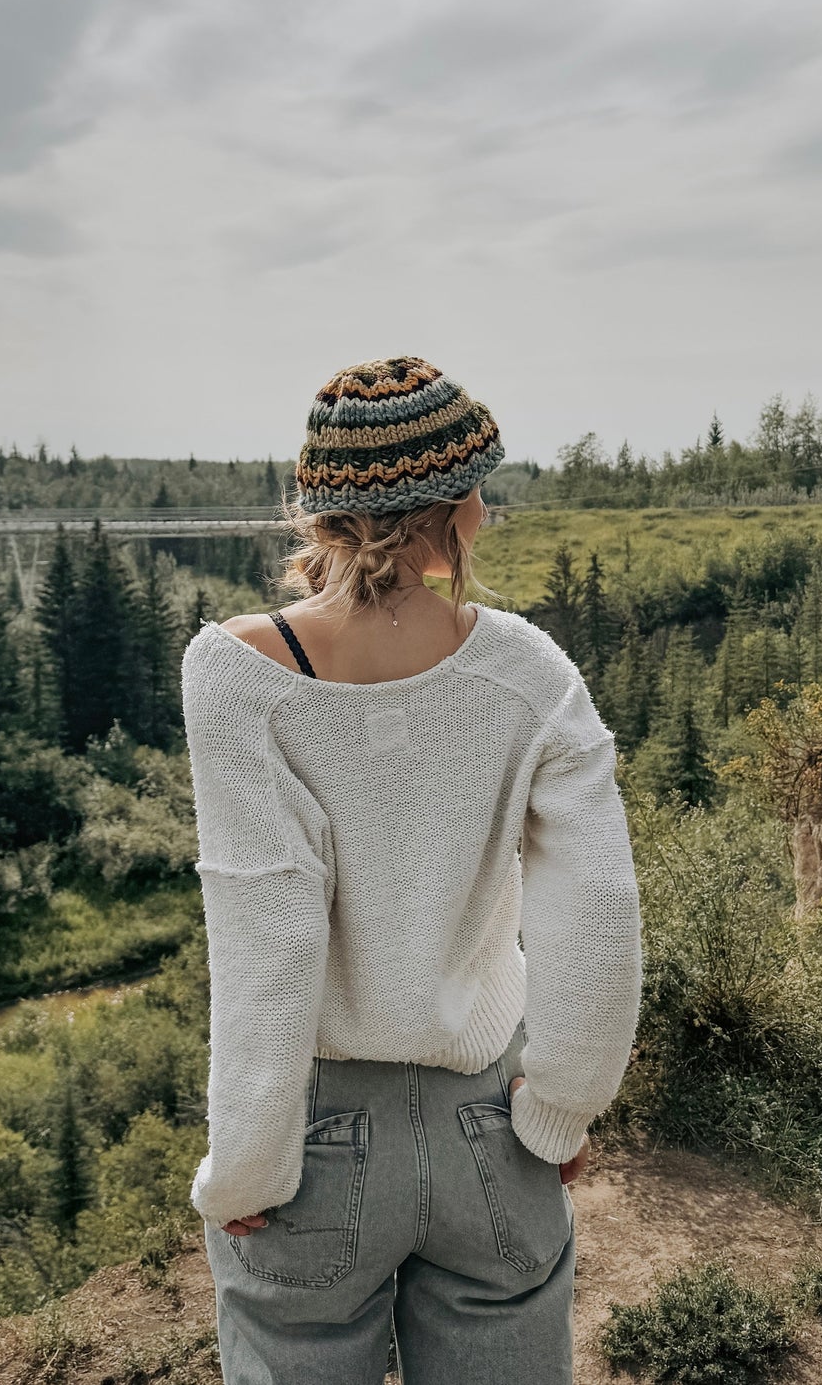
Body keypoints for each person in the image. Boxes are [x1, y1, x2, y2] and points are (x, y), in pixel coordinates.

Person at [181, 355, 643, 1384]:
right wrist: (561, 1100)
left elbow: (269, 930)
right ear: (458, 506)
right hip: (492, 1128)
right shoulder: (528, 671)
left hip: (316, 1136)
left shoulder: (237, 675)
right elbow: (596, 906)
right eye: (480, 487)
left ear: (323, 515)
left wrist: (250, 1157)